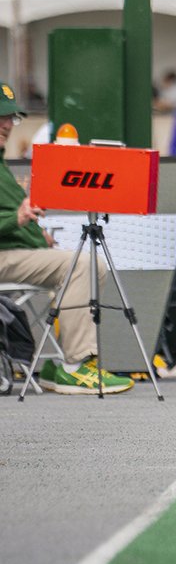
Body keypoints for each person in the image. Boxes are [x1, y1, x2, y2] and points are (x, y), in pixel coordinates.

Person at [0, 83, 132, 393]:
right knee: (83, 265)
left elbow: (15, 217)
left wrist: (35, 233)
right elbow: (12, 217)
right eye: (1, 117)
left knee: (85, 264)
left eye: (11, 118)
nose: (8, 124)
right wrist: (16, 219)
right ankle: (74, 365)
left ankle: (59, 367)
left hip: (12, 253)